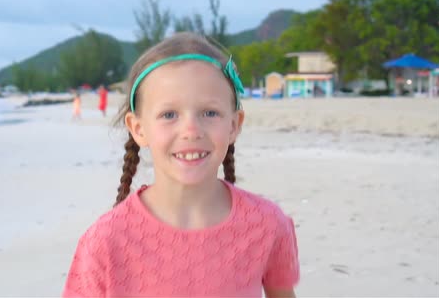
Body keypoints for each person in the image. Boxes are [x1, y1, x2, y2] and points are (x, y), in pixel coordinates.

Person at [63, 32, 299, 297]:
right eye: (169, 114)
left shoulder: (267, 224)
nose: (191, 130)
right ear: (138, 129)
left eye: (209, 112)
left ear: (234, 125)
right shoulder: (104, 242)